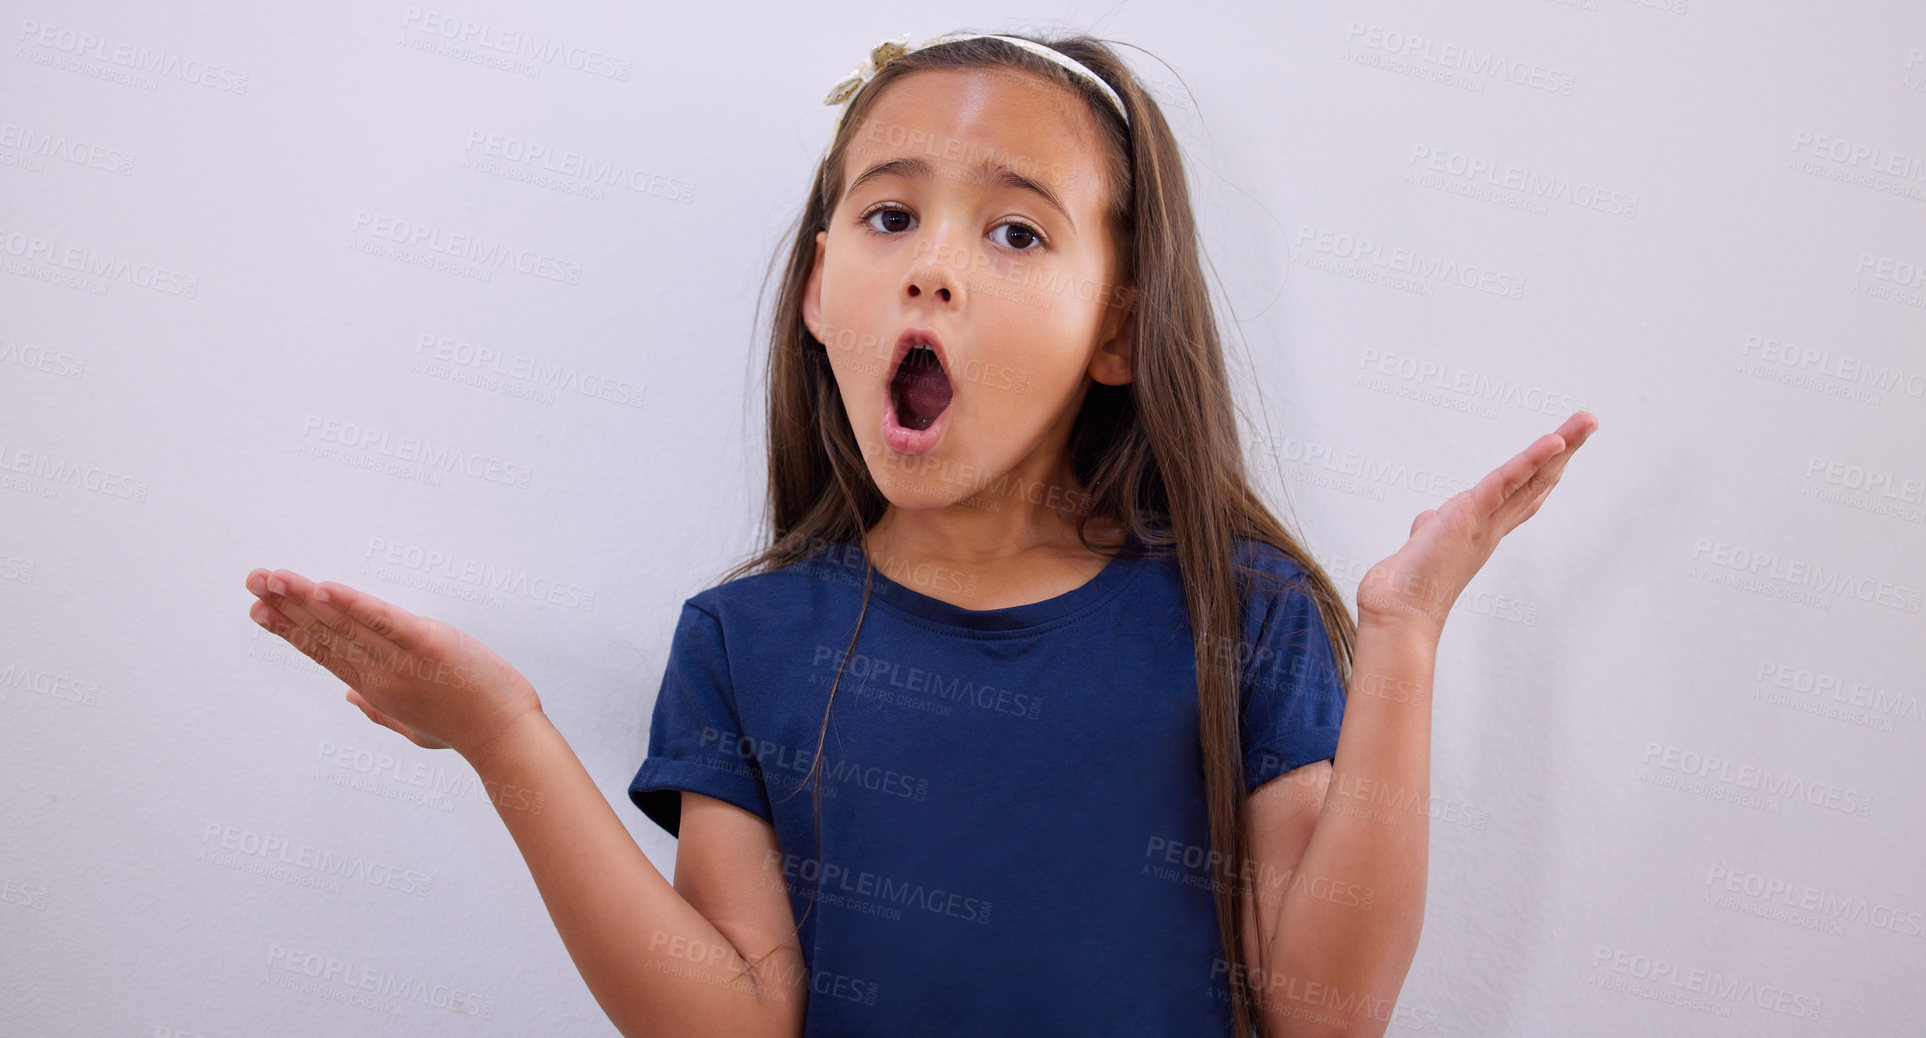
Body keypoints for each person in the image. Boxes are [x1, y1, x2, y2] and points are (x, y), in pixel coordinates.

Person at [243, 29, 1597, 1038]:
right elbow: (730, 1020)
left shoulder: (1238, 618)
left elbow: (1327, 1012)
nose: (934, 262)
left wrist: (1406, 634)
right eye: (889, 214)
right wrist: (504, 736)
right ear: (821, 292)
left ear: (1117, 327)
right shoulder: (741, 642)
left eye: (1015, 230)